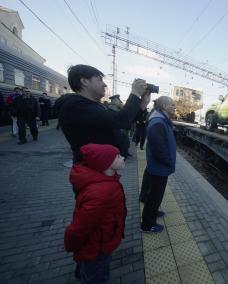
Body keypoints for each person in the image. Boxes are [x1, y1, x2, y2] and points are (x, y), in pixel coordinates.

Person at [56, 64, 151, 163]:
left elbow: (125, 121)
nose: (104, 84)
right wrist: (135, 94)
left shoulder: (91, 104)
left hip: (103, 168)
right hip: (92, 171)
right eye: (100, 79)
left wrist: (142, 105)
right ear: (84, 81)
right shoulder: (75, 106)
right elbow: (122, 120)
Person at [64, 143, 126, 283]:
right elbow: (80, 227)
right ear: (106, 163)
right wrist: (71, 245)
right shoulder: (101, 192)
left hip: (100, 242)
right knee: (96, 276)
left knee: (88, 270)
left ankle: (82, 273)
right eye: (117, 156)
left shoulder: (107, 180)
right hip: (96, 248)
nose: (123, 157)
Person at [141, 96, 176, 233]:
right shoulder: (158, 122)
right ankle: (147, 224)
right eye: (172, 105)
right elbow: (159, 150)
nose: (174, 107)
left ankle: (153, 212)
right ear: (163, 107)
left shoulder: (161, 120)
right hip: (159, 167)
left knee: (156, 194)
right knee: (154, 196)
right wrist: (169, 162)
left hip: (159, 166)